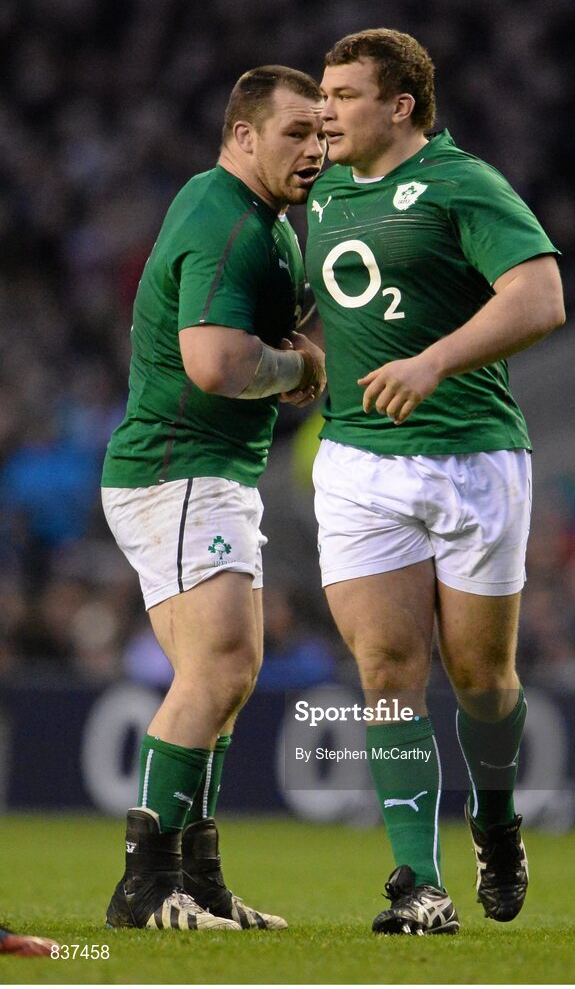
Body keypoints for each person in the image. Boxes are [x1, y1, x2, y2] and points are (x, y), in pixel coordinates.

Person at [306, 29, 565, 935]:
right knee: (387, 670)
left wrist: (434, 364)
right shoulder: (320, 191)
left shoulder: (464, 184)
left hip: (476, 459)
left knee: (483, 677)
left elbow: (539, 297)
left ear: (400, 106)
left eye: (342, 94)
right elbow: (334, 306)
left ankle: (496, 818)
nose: (324, 110)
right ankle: (418, 880)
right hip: (358, 464)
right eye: (322, 94)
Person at [101, 65, 326, 933]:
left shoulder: (263, 221)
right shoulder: (229, 220)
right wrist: (299, 369)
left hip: (199, 472)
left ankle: (196, 881)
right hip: (181, 467)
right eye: (295, 132)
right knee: (221, 668)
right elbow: (217, 363)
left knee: (225, 678)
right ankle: (148, 887)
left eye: (320, 133)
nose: (314, 148)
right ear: (243, 135)